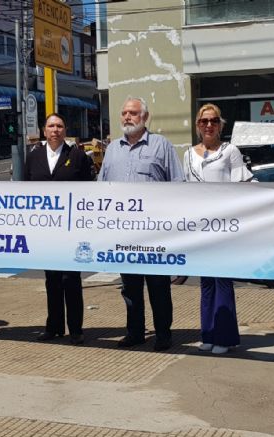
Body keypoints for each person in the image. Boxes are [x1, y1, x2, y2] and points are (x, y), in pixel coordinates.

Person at [98, 97, 184, 351]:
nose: (127, 117)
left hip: (154, 233)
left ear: (145, 117)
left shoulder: (161, 145)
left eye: (133, 113)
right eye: (124, 113)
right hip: (123, 234)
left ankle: (163, 335)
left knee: (158, 287)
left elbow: (178, 185)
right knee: (130, 288)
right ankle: (135, 333)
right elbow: (101, 188)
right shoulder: (112, 149)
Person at [182, 103, 253, 355]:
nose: (209, 125)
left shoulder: (230, 151)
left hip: (223, 226)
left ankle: (225, 337)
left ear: (220, 125)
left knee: (222, 280)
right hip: (200, 227)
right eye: (204, 121)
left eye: (213, 121)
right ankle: (208, 334)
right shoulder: (188, 154)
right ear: (197, 125)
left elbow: (242, 186)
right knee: (205, 282)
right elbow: (185, 191)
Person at [26, 113, 93, 345]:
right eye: (51, 126)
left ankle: (75, 329)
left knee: (70, 279)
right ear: (44, 130)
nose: (55, 130)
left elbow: (89, 192)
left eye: (60, 126)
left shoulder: (77, 155)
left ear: (65, 130)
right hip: (45, 230)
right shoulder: (33, 157)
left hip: (71, 229)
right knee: (51, 279)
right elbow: (24, 191)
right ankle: (53, 327)